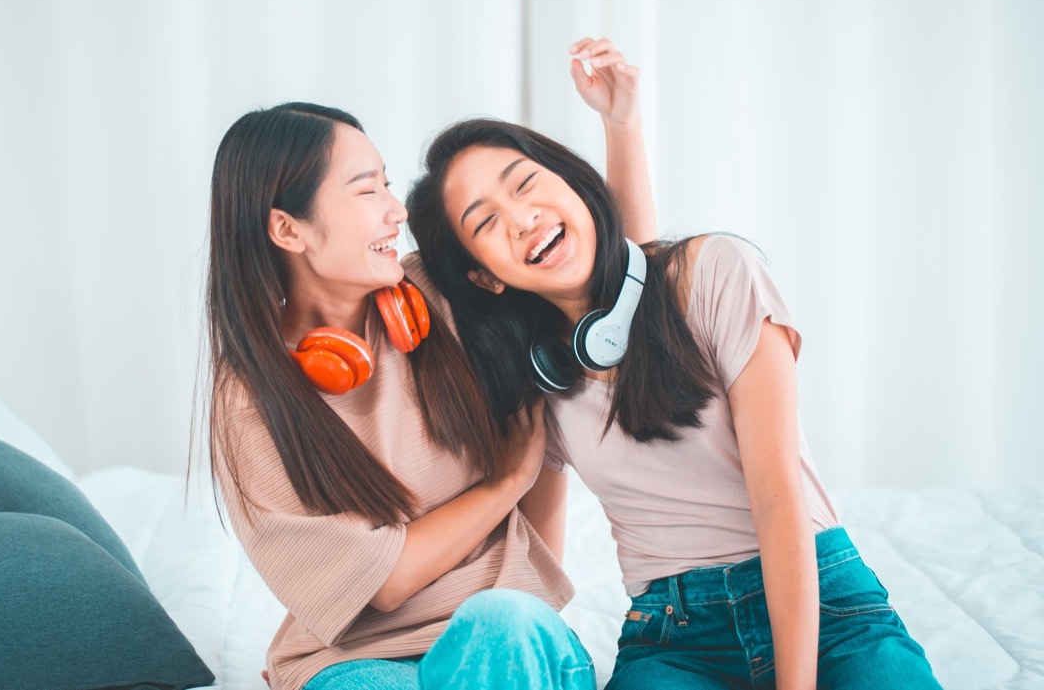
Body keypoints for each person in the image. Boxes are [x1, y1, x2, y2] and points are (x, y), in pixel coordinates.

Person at [404, 114, 942, 688]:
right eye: (485, 222)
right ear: (485, 278)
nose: (521, 218)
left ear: (571, 182)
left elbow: (779, 498)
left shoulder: (716, 272)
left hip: (825, 604)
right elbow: (540, 572)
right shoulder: (542, 384)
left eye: (524, 183)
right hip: (672, 636)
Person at [202, 39, 647, 690]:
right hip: (355, 663)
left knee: (501, 623)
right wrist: (509, 480)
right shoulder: (249, 401)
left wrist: (622, 123)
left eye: (386, 181)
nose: (397, 208)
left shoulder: (441, 293)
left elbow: (610, 287)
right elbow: (385, 581)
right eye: (366, 189)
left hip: (506, 637)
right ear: (288, 230)